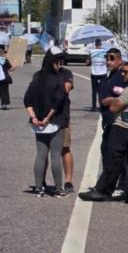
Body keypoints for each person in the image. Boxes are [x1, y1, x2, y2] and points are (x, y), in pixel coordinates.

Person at [79, 60, 128, 202]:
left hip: (121, 128)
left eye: (126, 72)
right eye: (122, 71)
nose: (123, 74)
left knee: (113, 159)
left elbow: (114, 107)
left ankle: (103, 190)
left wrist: (112, 100)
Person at [24, 51, 69, 197]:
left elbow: (27, 100)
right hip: (54, 121)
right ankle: (58, 189)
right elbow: (58, 101)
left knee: (41, 155)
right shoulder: (57, 78)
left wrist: (34, 117)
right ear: (54, 62)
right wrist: (48, 118)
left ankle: (38, 188)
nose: (60, 65)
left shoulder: (37, 77)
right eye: (59, 62)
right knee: (55, 154)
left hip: (37, 122)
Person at [51, 47, 76, 193]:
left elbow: (66, 88)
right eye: (57, 59)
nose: (60, 62)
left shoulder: (66, 73)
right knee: (45, 150)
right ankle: (41, 180)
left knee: (65, 148)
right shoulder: (41, 75)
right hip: (45, 117)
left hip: (62, 116)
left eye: (61, 59)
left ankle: (68, 180)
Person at [89, 39, 108, 112]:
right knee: (102, 91)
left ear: (95, 44)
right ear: (100, 44)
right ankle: (102, 106)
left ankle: (94, 107)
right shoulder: (105, 52)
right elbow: (107, 61)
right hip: (103, 73)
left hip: (94, 73)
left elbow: (87, 62)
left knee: (94, 91)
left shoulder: (91, 52)